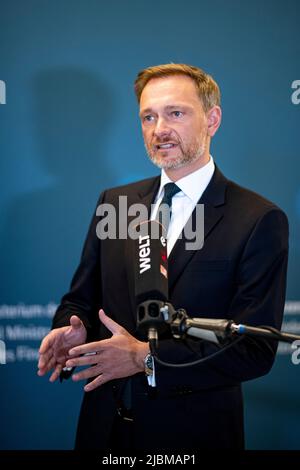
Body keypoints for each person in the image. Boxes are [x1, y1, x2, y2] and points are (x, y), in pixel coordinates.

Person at [37, 63, 289, 450]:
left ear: (212, 119)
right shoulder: (116, 203)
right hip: (104, 432)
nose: (159, 130)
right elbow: (80, 300)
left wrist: (146, 358)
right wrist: (74, 330)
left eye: (176, 113)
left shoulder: (257, 218)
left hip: (194, 435)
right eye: (148, 117)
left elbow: (253, 350)